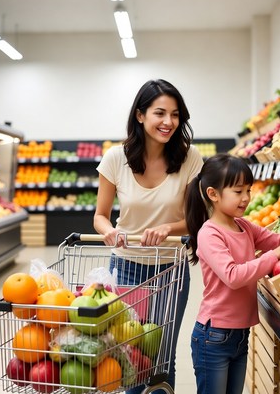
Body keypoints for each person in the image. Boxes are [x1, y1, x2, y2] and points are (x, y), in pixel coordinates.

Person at [93, 78, 204, 393]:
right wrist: (110, 232)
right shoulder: (116, 158)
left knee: (162, 356)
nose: (168, 122)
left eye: (175, 114)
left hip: (171, 269)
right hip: (127, 266)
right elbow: (100, 217)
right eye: (159, 113)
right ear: (140, 115)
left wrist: (169, 228)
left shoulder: (190, 158)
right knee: (129, 354)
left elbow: (196, 217)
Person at [184, 153, 280, 394]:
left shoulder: (244, 226)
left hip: (240, 335)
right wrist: (275, 255)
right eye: (238, 192)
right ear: (213, 194)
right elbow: (233, 276)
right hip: (213, 337)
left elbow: (277, 240)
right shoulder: (209, 234)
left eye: (248, 190)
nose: (246, 198)